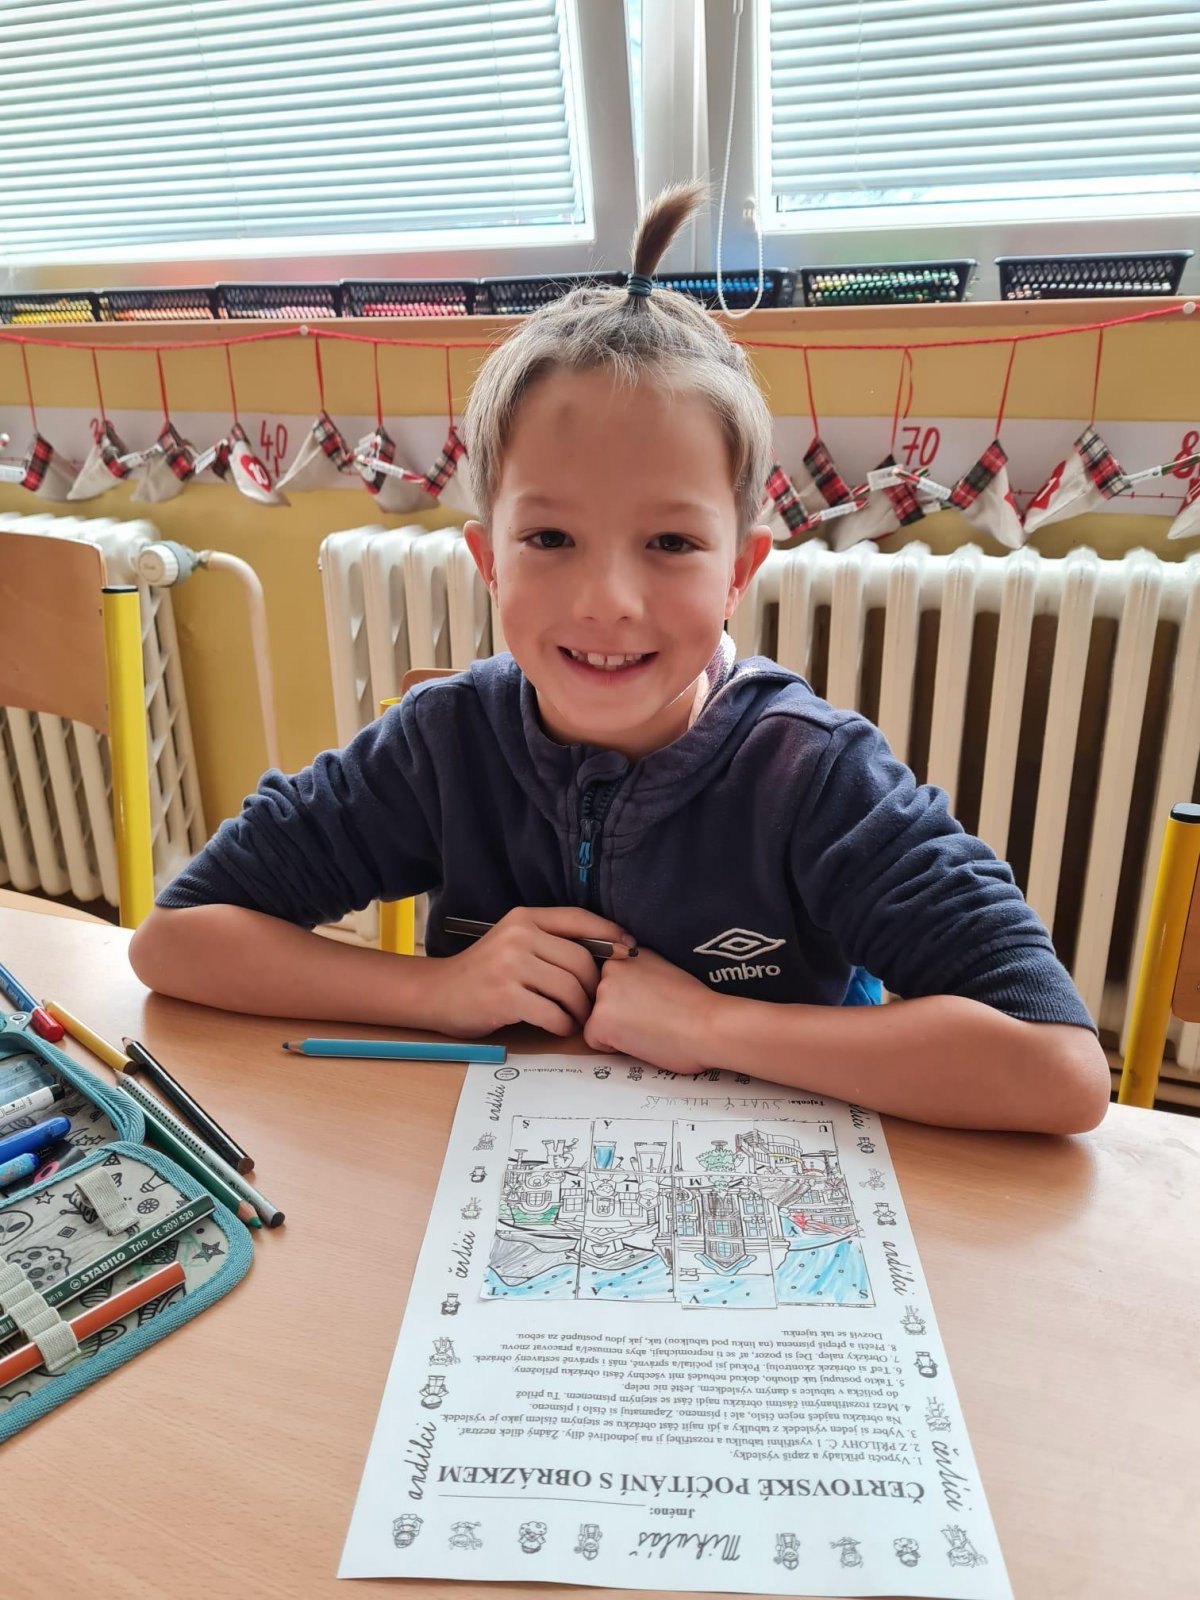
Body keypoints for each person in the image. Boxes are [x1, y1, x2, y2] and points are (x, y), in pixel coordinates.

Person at [130, 183, 1111, 1135]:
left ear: (739, 572)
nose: (607, 601)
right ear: (487, 559)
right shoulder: (443, 744)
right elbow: (177, 941)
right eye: (550, 538)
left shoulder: (813, 776)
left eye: (671, 543)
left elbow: (1058, 1068)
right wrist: (440, 990)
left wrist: (713, 1025)